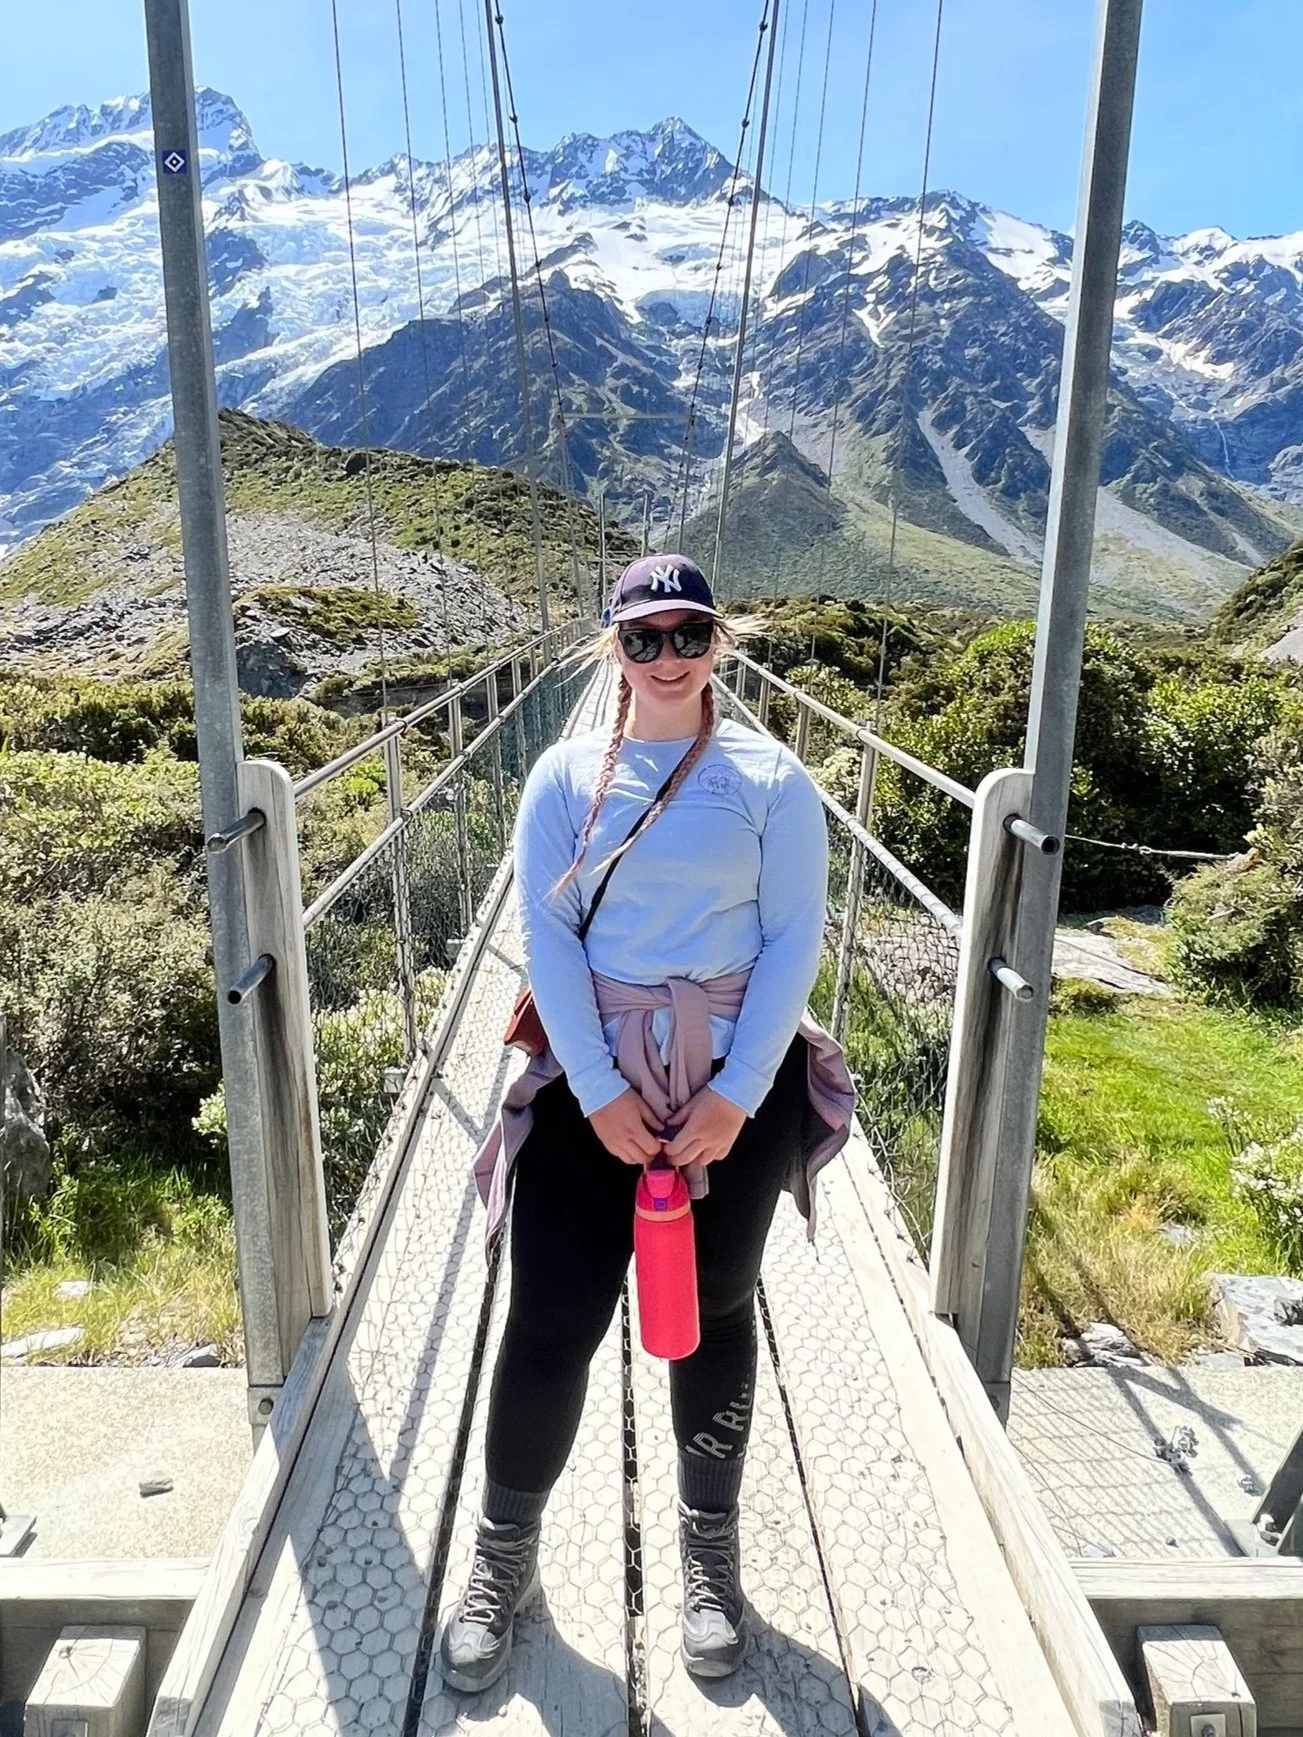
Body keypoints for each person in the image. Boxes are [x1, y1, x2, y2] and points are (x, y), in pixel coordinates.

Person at [443, 554, 854, 1694]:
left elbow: (790, 944)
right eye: (643, 638)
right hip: (592, 1090)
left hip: (736, 1089)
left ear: (720, 642)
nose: (667, 657)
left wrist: (731, 1096)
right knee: (550, 1318)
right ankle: (502, 1563)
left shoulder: (775, 783)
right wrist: (599, 1089)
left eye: (688, 634)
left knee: (714, 1315)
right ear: (609, 649)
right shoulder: (563, 778)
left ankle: (709, 1562)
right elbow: (549, 937)